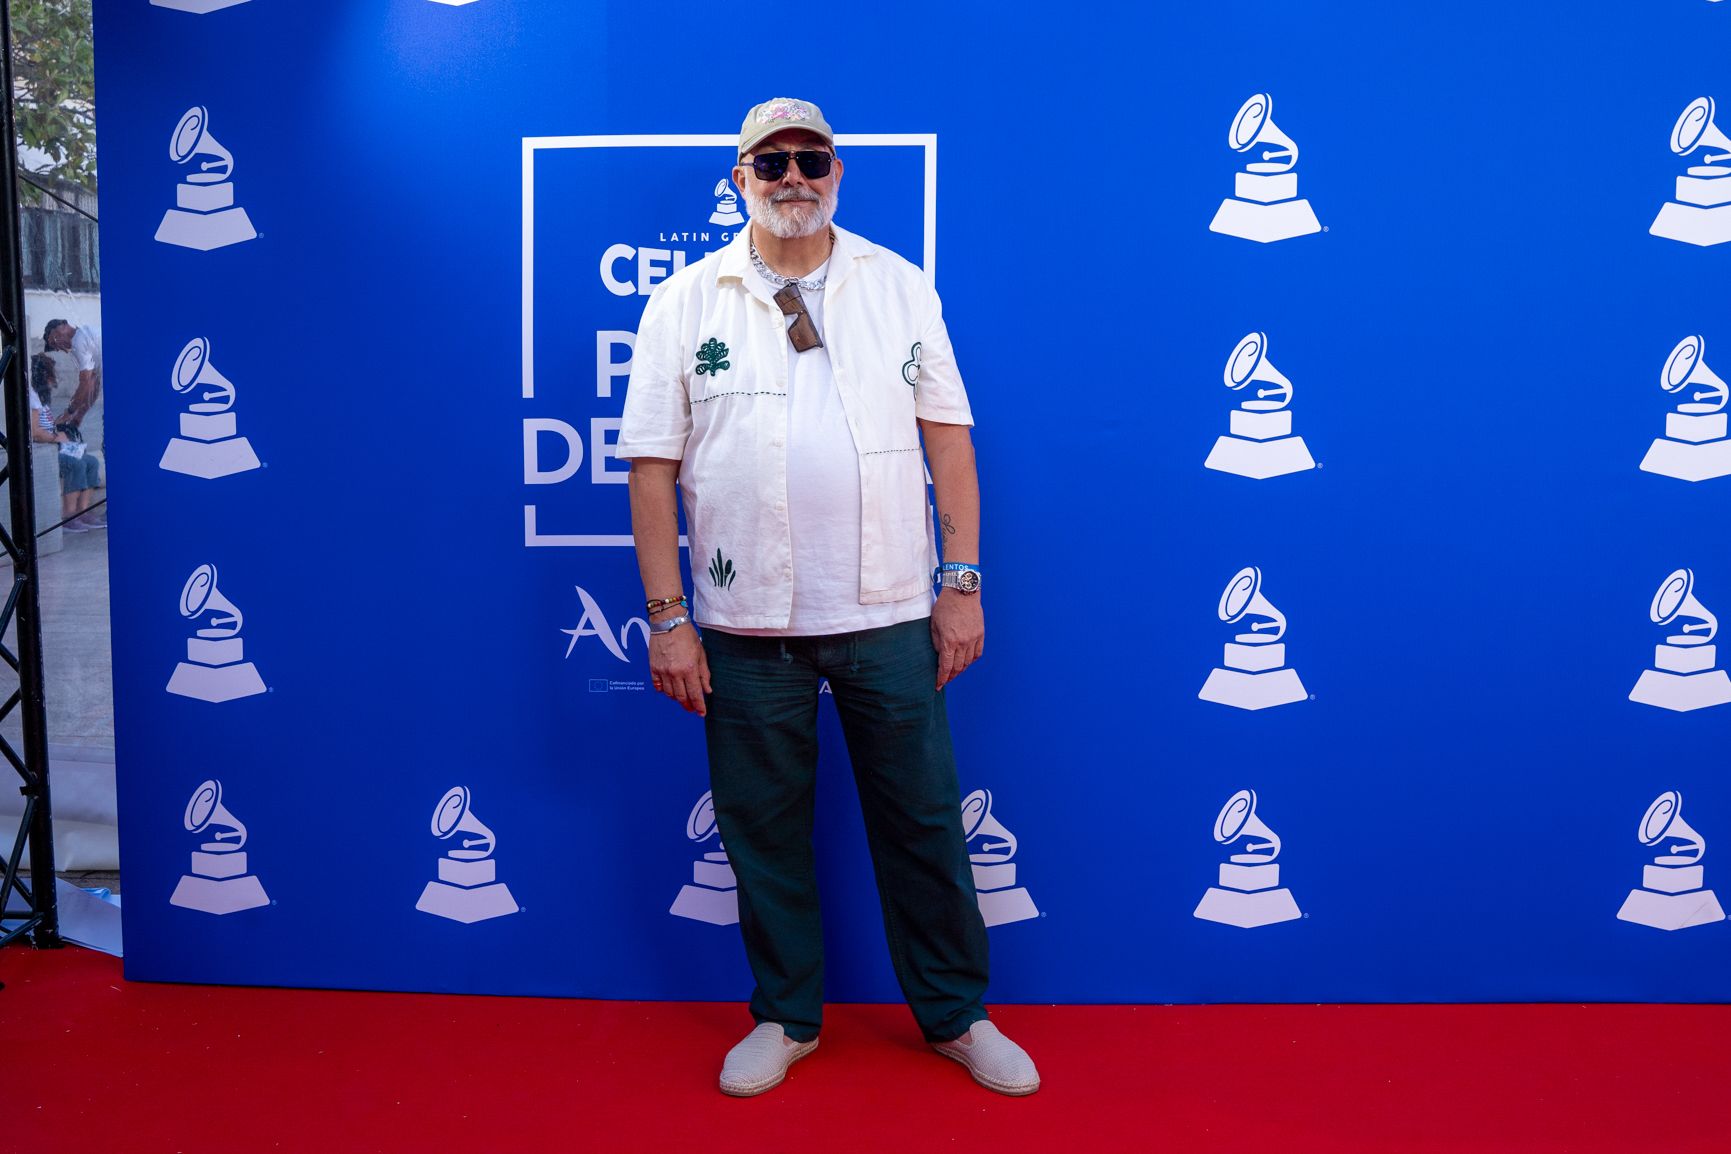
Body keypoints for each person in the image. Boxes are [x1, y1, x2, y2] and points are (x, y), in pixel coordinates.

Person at [617, 97, 1037, 1098]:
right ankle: (786, 1015)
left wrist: (961, 582)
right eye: (772, 163)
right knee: (760, 828)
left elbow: (949, 444)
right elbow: (649, 467)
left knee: (926, 821)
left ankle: (955, 1013)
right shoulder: (684, 302)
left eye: (811, 158)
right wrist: (668, 617)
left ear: (837, 172)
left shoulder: (898, 287)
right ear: (741, 180)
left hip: (888, 611)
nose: (793, 175)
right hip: (745, 629)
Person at [29, 353, 103, 532]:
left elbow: (46, 427)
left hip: (55, 445)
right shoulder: (31, 398)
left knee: (91, 462)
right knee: (74, 465)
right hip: (44, 450)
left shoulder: (40, 396)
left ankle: (82, 511)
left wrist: (61, 431)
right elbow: (34, 432)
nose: (54, 378)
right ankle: (68, 516)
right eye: (51, 374)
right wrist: (55, 438)